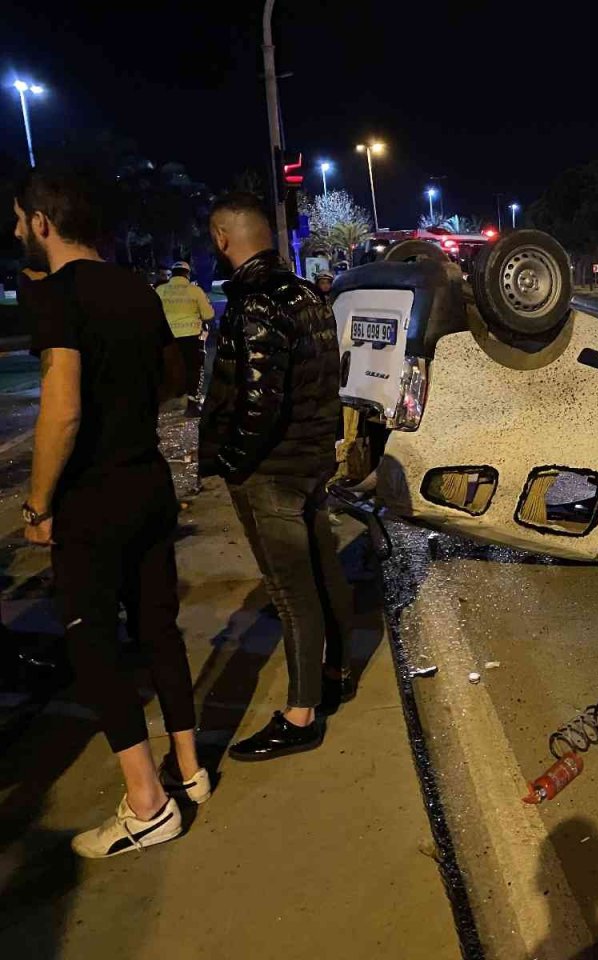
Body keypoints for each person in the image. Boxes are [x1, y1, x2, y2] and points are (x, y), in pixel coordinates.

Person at [13, 167, 208, 858]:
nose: (15, 232)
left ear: (42, 222)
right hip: (148, 481)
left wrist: (38, 504)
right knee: (158, 626)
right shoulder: (136, 287)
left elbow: (61, 405)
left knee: (91, 642)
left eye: (18, 220)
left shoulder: (56, 294)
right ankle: (189, 767)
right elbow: (172, 376)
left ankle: (148, 803)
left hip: (93, 497)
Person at [200, 192, 355, 760]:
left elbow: (258, 402)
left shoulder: (256, 300)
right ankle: (332, 676)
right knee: (321, 574)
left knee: (292, 594)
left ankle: (301, 714)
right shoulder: (306, 296)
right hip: (309, 461)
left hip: (274, 471)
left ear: (223, 238)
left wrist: (234, 461)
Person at [155, 260, 216, 416]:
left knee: (167, 368)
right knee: (194, 369)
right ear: (187, 274)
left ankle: (166, 401)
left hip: (167, 338)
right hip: (190, 336)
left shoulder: (160, 290)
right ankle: (192, 405)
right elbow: (208, 315)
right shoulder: (194, 291)